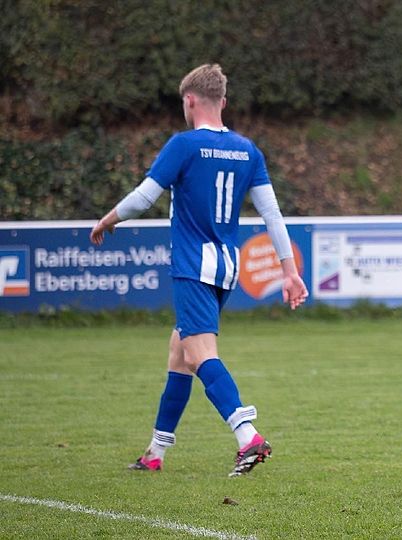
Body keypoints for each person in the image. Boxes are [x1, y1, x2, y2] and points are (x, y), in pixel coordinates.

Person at [90, 64, 308, 477]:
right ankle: (156, 452)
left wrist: (107, 220)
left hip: (192, 267)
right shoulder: (248, 150)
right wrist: (289, 270)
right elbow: (272, 215)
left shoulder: (184, 145)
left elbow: (143, 199)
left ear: (189, 101)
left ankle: (248, 435)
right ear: (222, 102)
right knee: (179, 353)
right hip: (226, 269)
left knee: (199, 353)